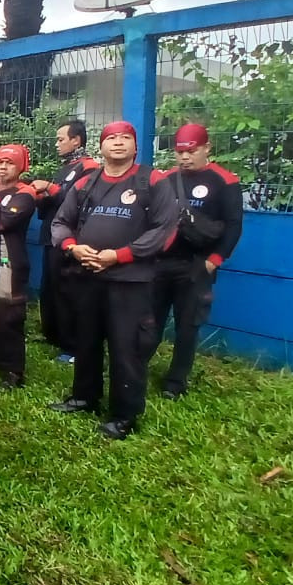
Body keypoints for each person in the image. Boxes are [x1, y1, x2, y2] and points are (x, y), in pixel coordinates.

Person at [49, 121, 178, 439]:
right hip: (88, 275)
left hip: (130, 280)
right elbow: (61, 222)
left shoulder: (153, 181)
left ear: (135, 146)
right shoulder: (86, 183)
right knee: (87, 341)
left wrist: (118, 256)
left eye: (125, 138)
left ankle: (125, 415)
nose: (118, 143)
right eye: (111, 138)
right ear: (101, 146)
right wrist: (73, 248)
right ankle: (84, 397)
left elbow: (165, 229)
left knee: (127, 347)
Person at [150, 123, 244, 398]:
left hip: (197, 265)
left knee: (187, 326)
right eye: (179, 152)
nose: (184, 157)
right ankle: (137, 366)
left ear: (206, 148)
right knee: (149, 321)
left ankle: (175, 382)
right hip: (162, 263)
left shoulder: (225, 181)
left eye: (191, 151)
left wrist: (214, 260)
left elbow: (233, 225)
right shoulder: (166, 179)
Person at [31, 120, 98, 363]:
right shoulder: (67, 166)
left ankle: (73, 346)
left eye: (61, 139)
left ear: (76, 140)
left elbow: (77, 201)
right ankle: (53, 335)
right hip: (51, 235)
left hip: (71, 238)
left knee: (68, 291)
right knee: (50, 289)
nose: (57, 144)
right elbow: (55, 197)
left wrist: (49, 188)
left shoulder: (89, 168)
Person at [0, 144, 37, 388]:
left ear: (20, 167)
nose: (3, 167)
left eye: (9, 163)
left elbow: (5, 220)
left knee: (9, 316)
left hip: (11, 261)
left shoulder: (25, 193)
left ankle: (12, 371)